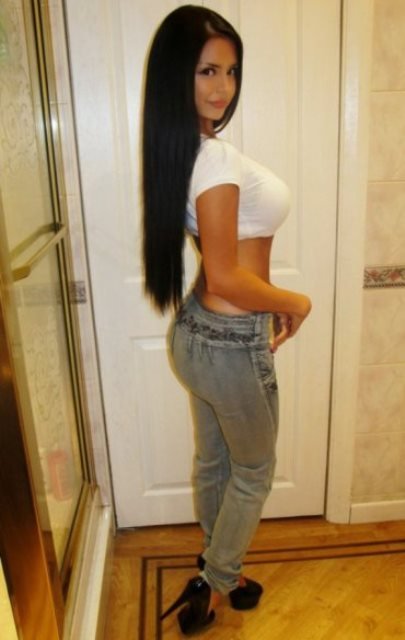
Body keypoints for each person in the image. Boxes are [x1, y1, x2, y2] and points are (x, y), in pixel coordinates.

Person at [142, 4, 311, 635]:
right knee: (255, 470)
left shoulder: (184, 151)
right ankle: (215, 583)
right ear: (177, 76)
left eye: (231, 71)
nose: (223, 88)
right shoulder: (213, 159)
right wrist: (295, 301)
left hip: (196, 336)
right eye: (207, 71)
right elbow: (225, 277)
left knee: (216, 463)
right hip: (231, 342)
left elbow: (215, 274)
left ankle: (221, 569)